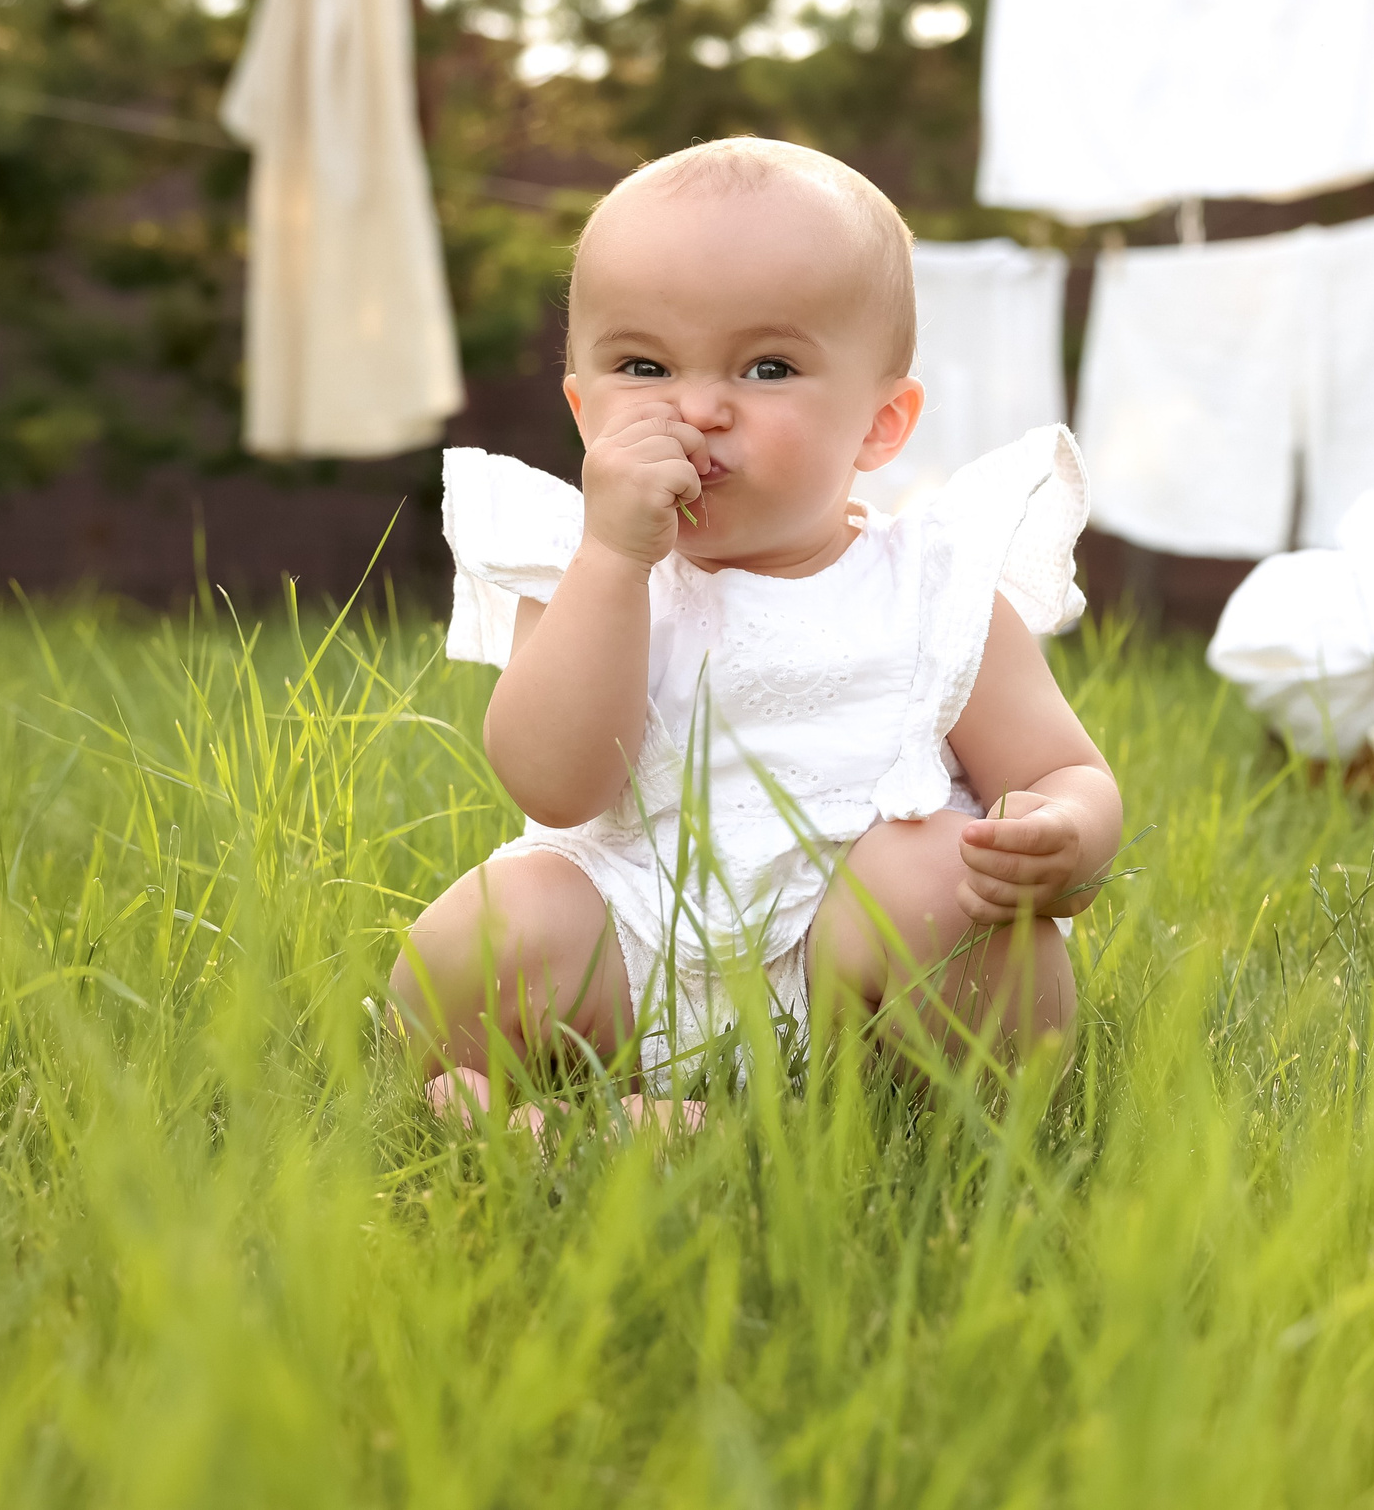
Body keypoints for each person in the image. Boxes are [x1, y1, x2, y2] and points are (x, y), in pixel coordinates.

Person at [391, 137, 1119, 1131]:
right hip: (632, 948)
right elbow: (554, 785)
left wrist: (1064, 835)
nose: (697, 407)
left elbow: (1065, 769)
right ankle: (633, 1117)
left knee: (940, 882)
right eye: (643, 365)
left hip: (857, 989)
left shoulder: (932, 592)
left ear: (880, 423)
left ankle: (892, 1120)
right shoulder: (577, 572)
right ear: (583, 408)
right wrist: (614, 559)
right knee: (483, 933)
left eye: (768, 367)